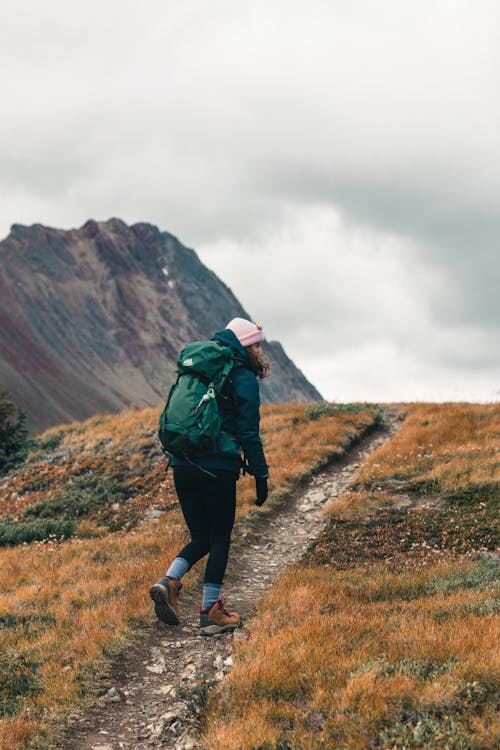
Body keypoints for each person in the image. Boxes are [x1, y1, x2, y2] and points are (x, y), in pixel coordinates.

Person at [150, 317, 270, 636]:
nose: (260, 350)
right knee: (219, 538)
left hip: (182, 462)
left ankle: (170, 581)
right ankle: (210, 613)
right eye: (256, 344)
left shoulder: (201, 369)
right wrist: (261, 475)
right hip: (217, 466)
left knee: (201, 536)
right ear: (245, 345)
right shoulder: (241, 375)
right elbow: (248, 432)